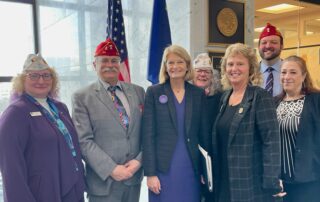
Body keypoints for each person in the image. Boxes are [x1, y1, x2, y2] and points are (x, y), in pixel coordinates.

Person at [0, 54, 85, 202]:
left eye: (46, 75)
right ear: (22, 80)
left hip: (71, 187)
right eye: (33, 76)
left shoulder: (61, 108)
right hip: (41, 193)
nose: (41, 80)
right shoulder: (15, 113)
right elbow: (11, 168)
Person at [72, 38, 145, 202]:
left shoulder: (139, 92)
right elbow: (83, 141)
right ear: (94, 65)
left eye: (114, 60)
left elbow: (148, 132)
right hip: (103, 184)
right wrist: (112, 169)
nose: (110, 65)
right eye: (104, 61)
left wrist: (139, 161)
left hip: (133, 180)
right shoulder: (82, 97)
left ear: (120, 64)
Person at [212, 43, 284, 202]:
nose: (234, 68)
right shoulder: (225, 97)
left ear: (250, 68)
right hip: (223, 181)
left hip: (250, 184)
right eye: (230, 64)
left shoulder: (260, 97)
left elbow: (271, 142)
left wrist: (271, 182)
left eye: (240, 64)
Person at [142, 45, 209, 202]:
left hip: (191, 168)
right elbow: (148, 136)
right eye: (170, 62)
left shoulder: (198, 94)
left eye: (180, 62)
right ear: (165, 66)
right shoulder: (154, 92)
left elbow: (203, 134)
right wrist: (150, 173)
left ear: (187, 66)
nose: (175, 66)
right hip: (163, 170)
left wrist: (204, 171)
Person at [276, 56, 320, 202]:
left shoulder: (316, 100)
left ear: (304, 76)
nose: (287, 77)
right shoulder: (273, 103)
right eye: (283, 72)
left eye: (293, 72)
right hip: (280, 181)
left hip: (309, 179)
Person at [193, 53, 222, 202]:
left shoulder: (221, 98)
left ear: (212, 75)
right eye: (199, 70)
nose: (203, 74)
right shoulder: (185, 98)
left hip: (214, 159)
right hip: (191, 158)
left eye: (207, 71)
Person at [259, 23, 283, 96]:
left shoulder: (292, 71)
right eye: (264, 42)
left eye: (274, 42)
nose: (268, 46)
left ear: (281, 46)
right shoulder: (250, 72)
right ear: (258, 46)